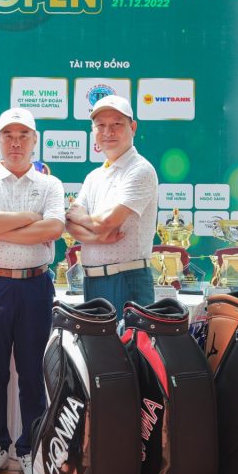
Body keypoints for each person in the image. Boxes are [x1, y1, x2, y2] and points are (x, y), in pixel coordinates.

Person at [0, 108, 65, 474]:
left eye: (24, 135)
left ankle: (29, 447)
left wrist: (0, 226)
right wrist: (29, 218)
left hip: (35, 286)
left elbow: (53, 228)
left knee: (32, 371)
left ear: (34, 141)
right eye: (8, 135)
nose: (16, 142)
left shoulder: (50, 185)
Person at [66, 95, 158, 317]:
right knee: (95, 342)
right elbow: (70, 223)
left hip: (127, 279)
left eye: (117, 124)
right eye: (101, 125)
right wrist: (98, 237)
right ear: (93, 131)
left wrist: (85, 219)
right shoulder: (94, 176)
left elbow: (109, 221)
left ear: (132, 128)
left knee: (127, 341)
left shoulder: (140, 169)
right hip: (92, 281)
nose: (108, 132)